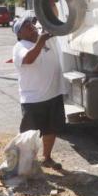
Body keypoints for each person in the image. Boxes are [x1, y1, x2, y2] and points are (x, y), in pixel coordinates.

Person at [12, 15, 66, 170]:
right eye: (26, 25)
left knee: (51, 129)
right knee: (28, 135)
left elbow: (54, 19)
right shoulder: (20, 46)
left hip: (53, 94)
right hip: (33, 99)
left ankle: (47, 158)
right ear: (19, 34)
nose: (31, 26)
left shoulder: (45, 39)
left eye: (31, 23)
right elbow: (29, 59)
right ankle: (23, 165)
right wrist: (40, 41)